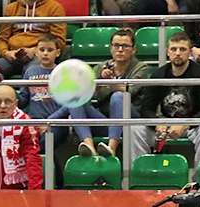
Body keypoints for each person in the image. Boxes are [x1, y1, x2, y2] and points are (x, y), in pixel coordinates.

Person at [138, 31, 200, 167]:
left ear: (189, 52)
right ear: (167, 52)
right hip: (165, 124)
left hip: (193, 125)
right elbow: (146, 109)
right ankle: (142, 174)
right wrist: (157, 123)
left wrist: (186, 124)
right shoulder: (158, 75)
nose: (177, 53)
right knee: (135, 129)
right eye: (173, 49)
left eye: (182, 49)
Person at [64, 28, 151, 158]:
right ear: (111, 48)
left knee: (118, 96)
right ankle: (89, 146)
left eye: (125, 46)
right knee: (76, 100)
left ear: (133, 49)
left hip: (130, 122)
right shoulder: (101, 67)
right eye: (116, 45)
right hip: (106, 120)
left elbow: (130, 91)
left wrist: (110, 83)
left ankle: (111, 147)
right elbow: (86, 93)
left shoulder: (141, 68)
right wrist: (99, 82)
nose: (120, 50)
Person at [17, 34, 68, 153]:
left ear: (58, 52)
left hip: (57, 123)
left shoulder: (63, 73)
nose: (45, 53)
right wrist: (12, 94)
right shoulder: (30, 72)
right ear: (36, 52)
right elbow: (23, 100)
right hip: (34, 122)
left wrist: (49, 121)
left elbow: (68, 105)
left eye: (50, 50)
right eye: (42, 50)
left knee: (42, 145)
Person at [0, 0, 66, 79]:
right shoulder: (11, 8)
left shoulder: (54, 7)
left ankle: (27, 91)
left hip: (38, 55)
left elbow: (58, 41)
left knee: (33, 71)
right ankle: (2, 91)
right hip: (14, 56)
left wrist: (35, 51)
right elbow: (2, 39)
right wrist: (6, 52)